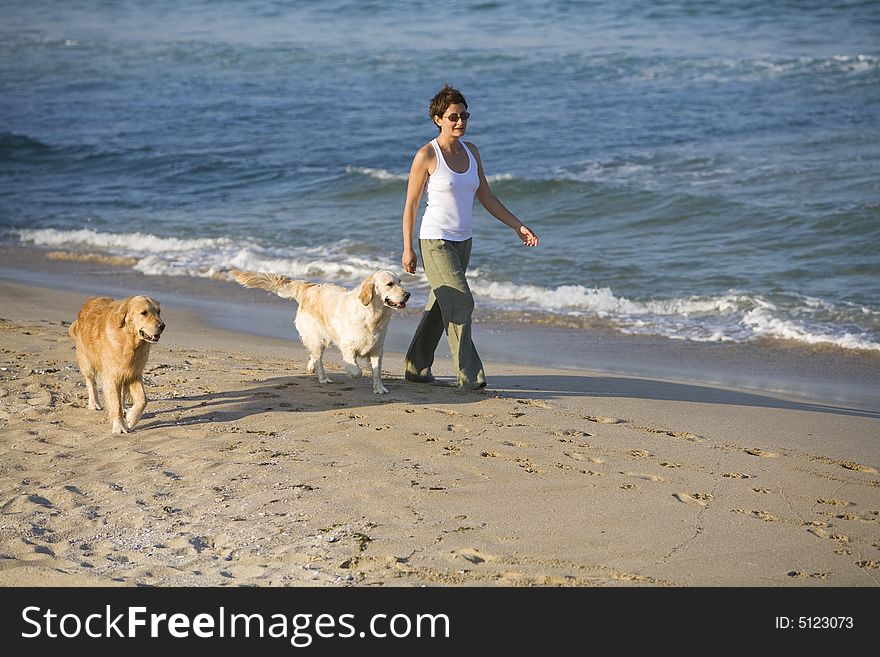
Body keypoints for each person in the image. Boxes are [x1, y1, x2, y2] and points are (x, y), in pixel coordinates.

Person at [401, 84, 539, 390]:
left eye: (464, 115)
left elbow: (486, 197)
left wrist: (518, 225)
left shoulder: (472, 151)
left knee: (443, 305)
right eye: (453, 116)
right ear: (438, 119)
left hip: (464, 241)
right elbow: (410, 204)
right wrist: (407, 248)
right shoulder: (426, 155)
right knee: (462, 302)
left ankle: (415, 367)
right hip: (435, 241)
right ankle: (471, 377)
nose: (460, 121)